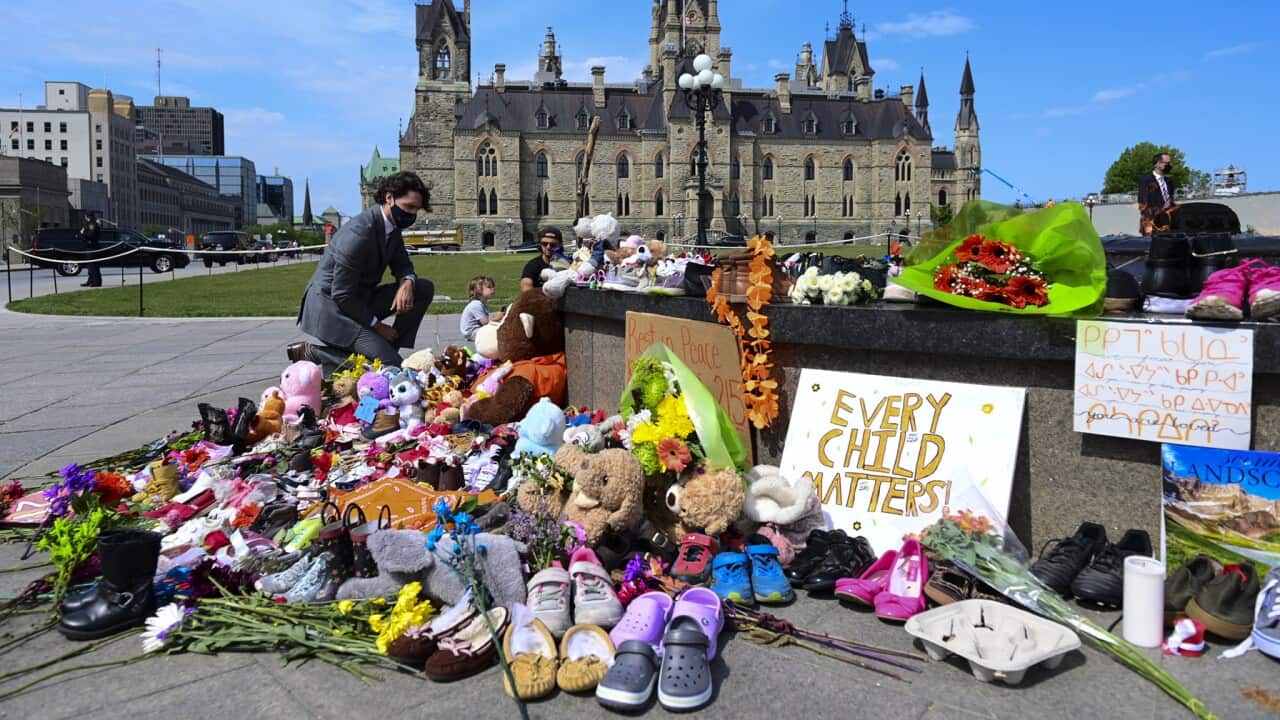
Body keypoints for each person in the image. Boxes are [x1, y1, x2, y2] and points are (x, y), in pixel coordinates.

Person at [288, 171, 435, 373]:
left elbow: (403, 264)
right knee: (392, 367)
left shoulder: (391, 227)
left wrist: (407, 282)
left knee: (423, 288)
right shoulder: (359, 232)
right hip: (333, 311)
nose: (411, 215)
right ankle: (316, 353)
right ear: (389, 197)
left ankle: (386, 349)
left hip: (359, 301)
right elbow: (341, 294)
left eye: (416, 210)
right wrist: (378, 327)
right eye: (408, 207)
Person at [1139, 153, 1177, 236]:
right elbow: (1142, 202)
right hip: (1153, 223)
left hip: (1168, 223)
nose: (1169, 165)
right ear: (1158, 164)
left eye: (1170, 163)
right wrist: (1148, 224)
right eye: (1167, 163)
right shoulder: (1146, 180)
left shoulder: (1169, 181)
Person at [460, 275, 504, 342]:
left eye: (493, 287)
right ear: (479, 290)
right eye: (489, 287)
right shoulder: (476, 304)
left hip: (476, 330)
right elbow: (485, 323)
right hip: (472, 333)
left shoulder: (481, 303)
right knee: (497, 333)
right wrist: (497, 318)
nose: (493, 289)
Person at [520, 227, 564, 291]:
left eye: (553, 244)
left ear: (560, 245)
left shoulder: (568, 265)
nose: (548, 247)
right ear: (540, 244)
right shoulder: (532, 266)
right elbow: (526, 287)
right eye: (544, 244)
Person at [79, 213, 102, 287]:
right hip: (88, 247)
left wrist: (83, 233)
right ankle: (90, 280)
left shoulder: (93, 224)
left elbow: (91, 235)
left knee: (94, 266)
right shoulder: (90, 224)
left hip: (92, 247)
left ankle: (96, 282)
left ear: (87, 216)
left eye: (85, 216)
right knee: (90, 266)